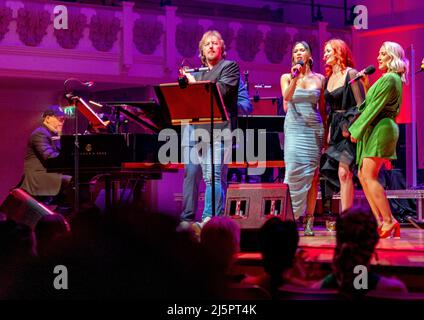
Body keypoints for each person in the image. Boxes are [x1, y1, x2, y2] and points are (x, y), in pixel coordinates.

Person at [179, 30, 240, 231]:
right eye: (207, 44)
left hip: (221, 129)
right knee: (207, 176)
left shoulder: (229, 67)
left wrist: (194, 84)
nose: (211, 46)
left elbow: (219, 92)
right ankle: (213, 219)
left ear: (222, 49)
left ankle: (209, 219)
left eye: (215, 43)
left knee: (213, 175)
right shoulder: (199, 72)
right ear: (202, 51)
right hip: (200, 131)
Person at [349, 41, 409, 238]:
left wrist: (356, 129)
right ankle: (381, 221)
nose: (378, 57)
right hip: (376, 126)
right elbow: (370, 105)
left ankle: (389, 220)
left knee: (369, 175)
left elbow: (373, 110)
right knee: (362, 174)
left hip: (382, 127)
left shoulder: (391, 78)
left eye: (382, 54)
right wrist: (366, 86)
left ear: (392, 57)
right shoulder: (388, 79)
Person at [280, 41, 326, 236]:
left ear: (309, 55)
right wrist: (294, 78)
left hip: (314, 129)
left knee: (313, 177)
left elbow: (322, 109)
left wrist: (325, 136)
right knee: (291, 172)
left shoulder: (320, 78)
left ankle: (309, 221)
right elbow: (286, 99)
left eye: (302, 50)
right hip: (294, 128)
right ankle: (289, 217)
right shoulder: (286, 77)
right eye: (295, 51)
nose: (299, 53)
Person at [315, 206, 407, 299]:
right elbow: (359, 286)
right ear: (374, 240)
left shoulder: (319, 288)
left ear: (338, 240)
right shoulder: (393, 289)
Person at [320, 39, 365, 219]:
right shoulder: (328, 78)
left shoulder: (351, 74)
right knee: (340, 175)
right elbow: (327, 110)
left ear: (339, 52)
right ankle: (346, 215)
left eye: (328, 51)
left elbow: (362, 105)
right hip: (335, 128)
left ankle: (347, 217)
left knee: (344, 171)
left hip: (349, 127)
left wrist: (351, 127)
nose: (324, 55)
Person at [19, 105, 72, 203]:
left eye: (64, 119)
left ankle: (69, 211)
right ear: (47, 118)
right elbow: (49, 157)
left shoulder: (53, 134)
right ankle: (72, 212)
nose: (62, 121)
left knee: (77, 180)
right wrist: (70, 158)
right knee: (72, 182)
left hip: (49, 173)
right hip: (39, 176)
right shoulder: (40, 133)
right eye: (60, 118)